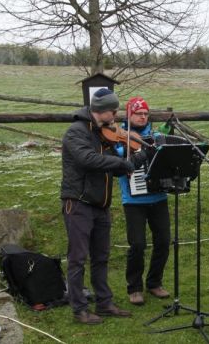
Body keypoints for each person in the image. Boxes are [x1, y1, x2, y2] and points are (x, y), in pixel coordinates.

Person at [60, 88, 148, 324]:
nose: (117, 115)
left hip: (100, 203)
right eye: (114, 111)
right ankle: (79, 309)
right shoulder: (75, 132)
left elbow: (112, 166)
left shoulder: (103, 132)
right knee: (78, 258)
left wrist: (133, 161)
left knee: (101, 256)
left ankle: (104, 302)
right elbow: (89, 160)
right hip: (78, 202)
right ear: (102, 111)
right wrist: (123, 162)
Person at [116, 96, 171, 306]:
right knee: (137, 244)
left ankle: (154, 282)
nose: (143, 117)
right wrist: (132, 148)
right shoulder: (120, 137)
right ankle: (134, 287)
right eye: (139, 113)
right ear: (129, 115)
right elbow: (120, 160)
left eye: (146, 113)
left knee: (164, 242)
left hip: (158, 197)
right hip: (133, 199)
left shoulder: (156, 136)